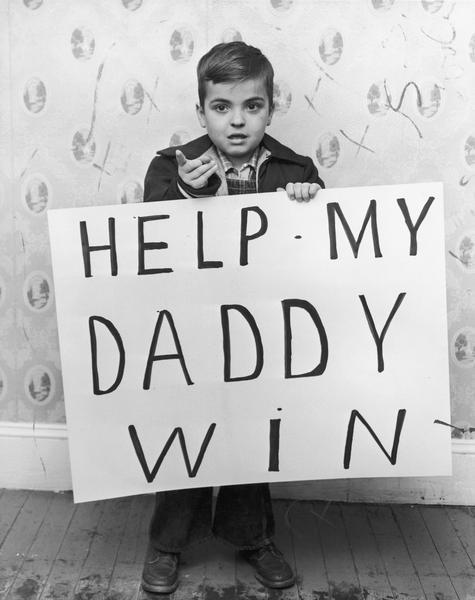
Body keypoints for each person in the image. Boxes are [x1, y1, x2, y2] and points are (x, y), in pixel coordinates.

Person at [141, 41, 324, 594]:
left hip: (263, 335)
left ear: (271, 108)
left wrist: (309, 202)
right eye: (222, 107)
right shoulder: (171, 167)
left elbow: (325, 253)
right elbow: (144, 240)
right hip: (193, 331)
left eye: (252, 105)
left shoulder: (296, 168)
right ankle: (167, 543)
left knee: (249, 438)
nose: (238, 120)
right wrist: (184, 193)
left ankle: (252, 537)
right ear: (201, 112)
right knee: (190, 438)